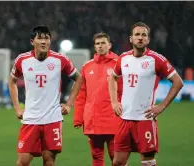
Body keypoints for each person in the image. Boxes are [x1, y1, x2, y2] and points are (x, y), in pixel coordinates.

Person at [108, 22, 184, 166]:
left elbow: (178, 82)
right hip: (124, 118)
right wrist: (114, 101)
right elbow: (112, 77)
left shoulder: (156, 59)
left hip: (145, 119)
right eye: (137, 34)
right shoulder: (123, 58)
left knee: (147, 162)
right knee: (117, 162)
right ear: (131, 39)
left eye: (144, 35)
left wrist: (161, 106)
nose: (140, 38)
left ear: (148, 40)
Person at [8, 25, 82, 166]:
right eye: (40, 38)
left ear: (50, 41)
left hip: (52, 118)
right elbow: (12, 81)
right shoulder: (22, 60)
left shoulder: (60, 59)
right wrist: (17, 108)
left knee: (49, 161)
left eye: (46, 38)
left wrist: (69, 104)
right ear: (32, 41)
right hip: (31, 119)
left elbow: (79, 78)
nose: (43, 42)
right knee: (22, 161)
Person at [74, 32, 122, 166]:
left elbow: (125, 91)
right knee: (96, 157)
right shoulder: (87, 66)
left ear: (109, 45)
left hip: (114, 118)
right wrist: (78, 118)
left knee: (117, 158)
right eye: (97, 44)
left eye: (103, 43)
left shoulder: (119, 64)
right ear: (94, 47)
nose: (100, 46)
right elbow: (81, 94)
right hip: (93, 120)